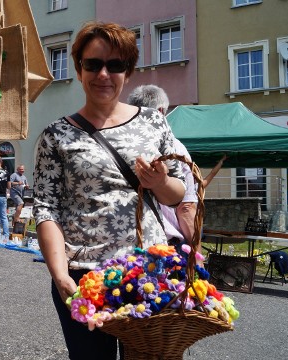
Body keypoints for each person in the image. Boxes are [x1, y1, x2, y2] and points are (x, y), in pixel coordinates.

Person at [33, 22, 185, 359]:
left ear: (128, 72)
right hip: (84, 276)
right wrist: (60, 277)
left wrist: (159, 183)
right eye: (93, 64)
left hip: (148, 271)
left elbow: (177, 193)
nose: (104, 74)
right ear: (79, 68)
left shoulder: (153, 122)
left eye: (115, 65)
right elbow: (46, 208)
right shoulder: (56, 135)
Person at [127, 85, 199, 251]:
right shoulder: (176, 149)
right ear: (161, 112)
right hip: (164, 248)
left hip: (123, 246)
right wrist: (197, 257)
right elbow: (186, 209)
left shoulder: (121, 145)